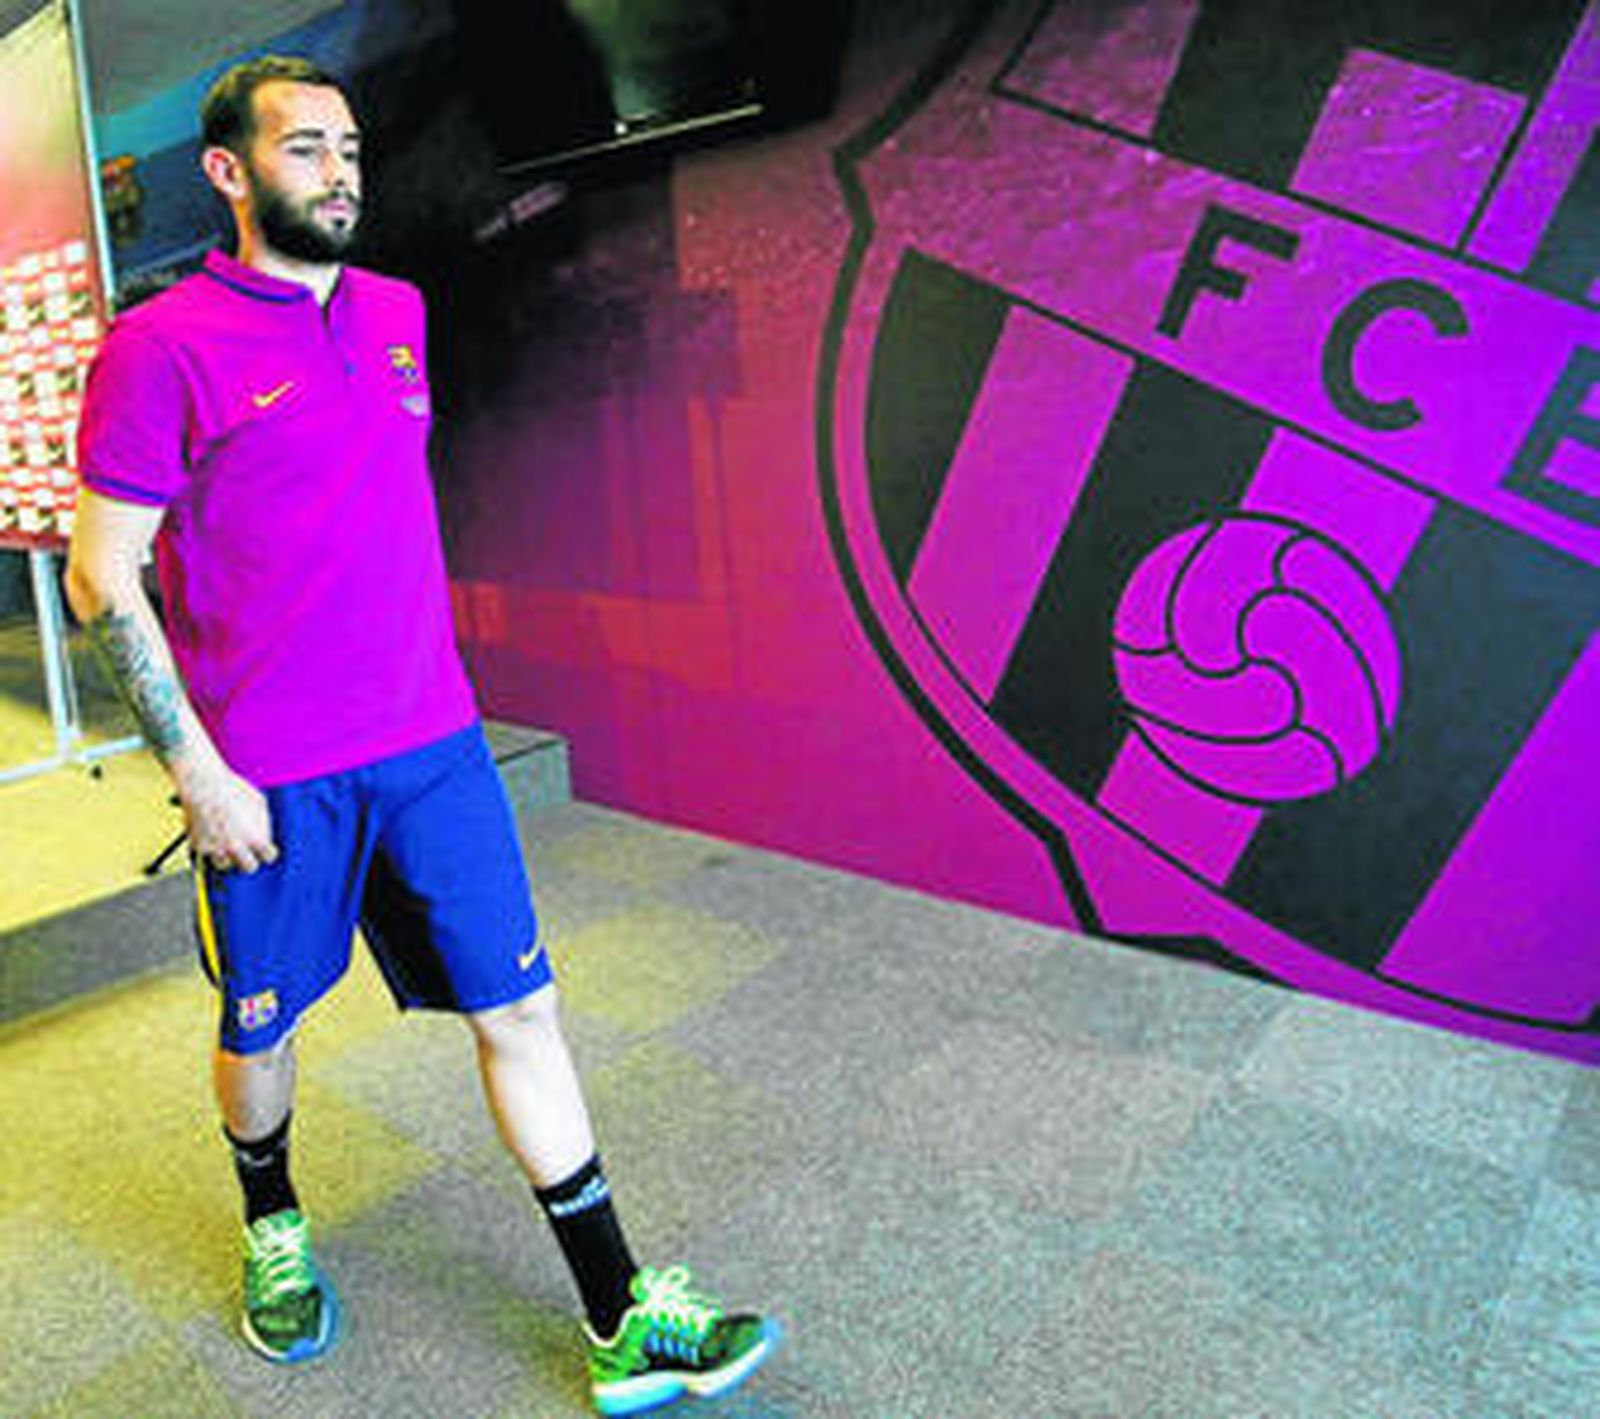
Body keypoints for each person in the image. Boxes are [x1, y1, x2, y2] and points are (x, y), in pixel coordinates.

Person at [66, 54, 777, 1417]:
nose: (339, 172)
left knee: (523, 1005)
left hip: (433, 745)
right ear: (227, 171)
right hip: (270, 777)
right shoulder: (160, 347)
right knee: (263, 1029)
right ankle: (273, 1217)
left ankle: (621, 1314)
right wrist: (197, 769)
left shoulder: (397, 314)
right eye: (304, 149)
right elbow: (104, 576)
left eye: (348, 149)